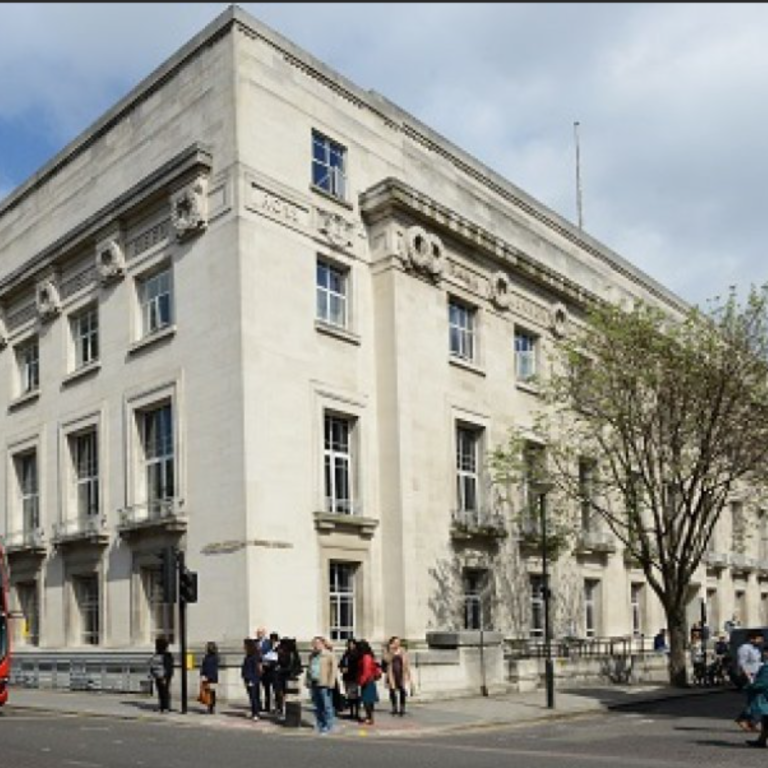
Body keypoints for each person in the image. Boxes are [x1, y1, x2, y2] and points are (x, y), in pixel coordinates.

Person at [305, 635, 337, 734]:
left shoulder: (329, 655)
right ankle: (320, 724)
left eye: (317, 643)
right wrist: (307, 681)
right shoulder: (312, 655)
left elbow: (333, 670)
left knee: (327, 705)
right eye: (314, 644)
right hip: (314, 682)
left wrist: (331, 683)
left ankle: (329, 725)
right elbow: (309, 669)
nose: (315, 646)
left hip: (324, 683)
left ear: (323, 644)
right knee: (317, 706)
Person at [735, 631, 764, 731]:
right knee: (755, 701)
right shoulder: (744, 648)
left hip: (757, 676)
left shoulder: (755, 649)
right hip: (749, 677)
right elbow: (742, 664)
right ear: (751, 638)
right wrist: (749, 678)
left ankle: (752, 722)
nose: (761, 640)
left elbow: (757, 663)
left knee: (756, 700)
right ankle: (743, 719)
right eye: (759, 638)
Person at [745, 647, 768, 747]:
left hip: (765, 696)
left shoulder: (766, 667)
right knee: (766, 719)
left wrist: (749, 686)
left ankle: (761, 741)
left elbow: (762, 682)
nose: (764, 654)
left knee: (766, 718)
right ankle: (761, 740)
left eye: (765, 652)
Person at [384, 636, 412, 716]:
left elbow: (406, 664)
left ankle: (402, 707)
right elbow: (387, 660)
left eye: (398, 642)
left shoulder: (402, 650)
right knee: (392, 690)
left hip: (401, 673)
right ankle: (394, 707)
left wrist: (408, 676)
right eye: (395, 642)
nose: (397, 644)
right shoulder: (388, 650)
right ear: (391, 643)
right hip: (392, 673)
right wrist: (391, 652)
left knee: (402, 690)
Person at [357, 639, 380, 726]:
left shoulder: (366, 657)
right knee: (368, 701)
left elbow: (366, 671)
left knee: (367, 701)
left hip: (367, 680)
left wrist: (361, 681)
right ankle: (369, 717)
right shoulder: (368, 656)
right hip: (369, 680)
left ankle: (370, 718)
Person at [149, 636, 174, 713]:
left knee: (161, 691)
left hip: (159, 676)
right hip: (164, 675)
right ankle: (165, 707)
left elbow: (152, 665)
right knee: (165, 691)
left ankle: (163, 706)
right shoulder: (167, 655)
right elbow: (169, 667)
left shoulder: (156, 655)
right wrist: (167, 676)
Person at [339, 638, 361, 721]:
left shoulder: (357, 654)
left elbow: (357, 665)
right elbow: (341, 663)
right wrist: (342, 668)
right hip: (347, 677)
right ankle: (351, 712)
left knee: (354, 695)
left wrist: (348, 668)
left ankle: (356, 712)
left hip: (354, 677)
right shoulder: (346, 653)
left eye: (352, 644)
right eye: (349, 644)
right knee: (349, 695)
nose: (350, 646)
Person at [241, 637, 263, 720]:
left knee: (254, 696)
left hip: (252, 678)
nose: (243, 647)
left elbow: (257, 669)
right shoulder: (249, 656)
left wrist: (253, 679)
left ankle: (256, 713)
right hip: (249, 677)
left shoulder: (254, 656)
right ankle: (254, 712)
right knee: (252, 696)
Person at [260, 632, 279, 713]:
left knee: (276, 690)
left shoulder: (279, 648)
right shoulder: (267, 647)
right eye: (271, 640)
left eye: (274, 640)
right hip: (266, 670)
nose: (272, 642)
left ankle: (278, 707)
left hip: (274, 671)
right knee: (267, 689)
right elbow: (263, 656)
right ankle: (267, 706)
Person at [200, 641, 220, 714]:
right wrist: (202, 674)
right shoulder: (206, 657)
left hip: (212, 678)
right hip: (208, 677)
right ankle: (209, 706)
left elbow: (213, 668)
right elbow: (203, 667)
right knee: (207, 692)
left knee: (212, 692)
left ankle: (211, 707)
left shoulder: (215, 657)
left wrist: (207, 676)